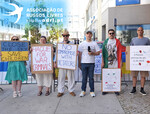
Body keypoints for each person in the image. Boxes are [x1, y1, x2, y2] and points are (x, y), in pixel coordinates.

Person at [54, 29, 76, 97]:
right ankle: (60, 91)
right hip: (62, 63)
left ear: (68, 36)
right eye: (64, 35)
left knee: (71, 77)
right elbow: (57, 54)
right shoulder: (60, 44)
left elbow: (75, 53)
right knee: (61, 77)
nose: (65, 37)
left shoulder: (72, 44)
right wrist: (55, 62)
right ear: (63, 36)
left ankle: (71, 90)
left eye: (67, 35)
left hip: (70, 64)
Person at [78, 30, 100, 97]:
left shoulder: (94, 43)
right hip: (83, 63)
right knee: (84, 78)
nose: (89, 35)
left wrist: (93, 53)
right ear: (85, 35)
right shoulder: (82, 44)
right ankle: (83, 91)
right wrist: (79, 63)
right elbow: (79, 54)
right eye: (88, 34)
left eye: (90, 34)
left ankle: (92, 91)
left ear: (92, 35)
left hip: (91, 63)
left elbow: (98, 52)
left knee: (91, 78)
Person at [129, 27, 150, 95]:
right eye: (139, 30)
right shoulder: (133, 39)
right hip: (135, 61)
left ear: (143, 31)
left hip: (143, 61)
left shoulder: (147, 40)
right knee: (134, 75)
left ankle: (142, 89)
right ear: (137, 31)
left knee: (143, 76)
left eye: (141, 30)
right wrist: (127, 53)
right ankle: (134, 88)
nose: (140, 31)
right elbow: (130, 49)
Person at [101, 29, 122, 96]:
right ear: (108, 34)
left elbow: (120, 52)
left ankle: (116, 89)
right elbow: (103, 53)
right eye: (110, 33)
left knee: (115, 75)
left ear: (114, 34)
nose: (111, 34)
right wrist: (102, 62)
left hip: (115, 61)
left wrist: (120, 62)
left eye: (112, 33)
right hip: (107, 62)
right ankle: (105, 89)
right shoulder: (105, 42)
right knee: (107, 75)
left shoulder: (117, 42)